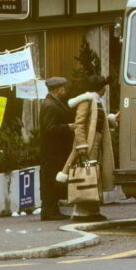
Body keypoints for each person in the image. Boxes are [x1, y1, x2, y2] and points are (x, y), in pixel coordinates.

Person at [57, 75, 117, 222]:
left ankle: (92, 210)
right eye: (104, 88)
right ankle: (80, 212)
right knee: (86, 176)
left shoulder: (97, 100)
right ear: (101, 88)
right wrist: (82, 143)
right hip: (89, 143)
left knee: (94, 177)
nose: (105, 90)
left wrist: (112, 119)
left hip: (96, 142)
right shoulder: (87, 100)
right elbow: (80, 123)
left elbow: (97, 121)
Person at [38, 77, 75, 221]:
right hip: (51, 150)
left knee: (53, 180)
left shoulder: (55, 103)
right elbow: (50, 128)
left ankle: (53, 210)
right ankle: (48, 212)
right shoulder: (50, 106)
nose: (65, 91)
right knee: (50, 181)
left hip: (56, 150)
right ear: (57, 90)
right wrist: (68, 127)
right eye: (63, 89)